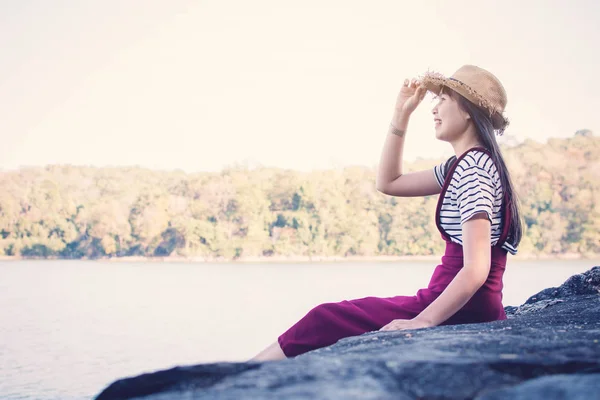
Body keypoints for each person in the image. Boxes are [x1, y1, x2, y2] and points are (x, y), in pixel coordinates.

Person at [252, 65, 522, 362]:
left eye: (443, 100)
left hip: (459, 306)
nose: (434, 109)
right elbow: (389, 182)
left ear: (468, 110)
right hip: (463, 303)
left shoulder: (473, 169)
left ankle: (243, 374)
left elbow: (476, 269)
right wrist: (401, 114)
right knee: (332, 318)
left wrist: (424, 321)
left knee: (325, 318)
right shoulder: (462, 165)